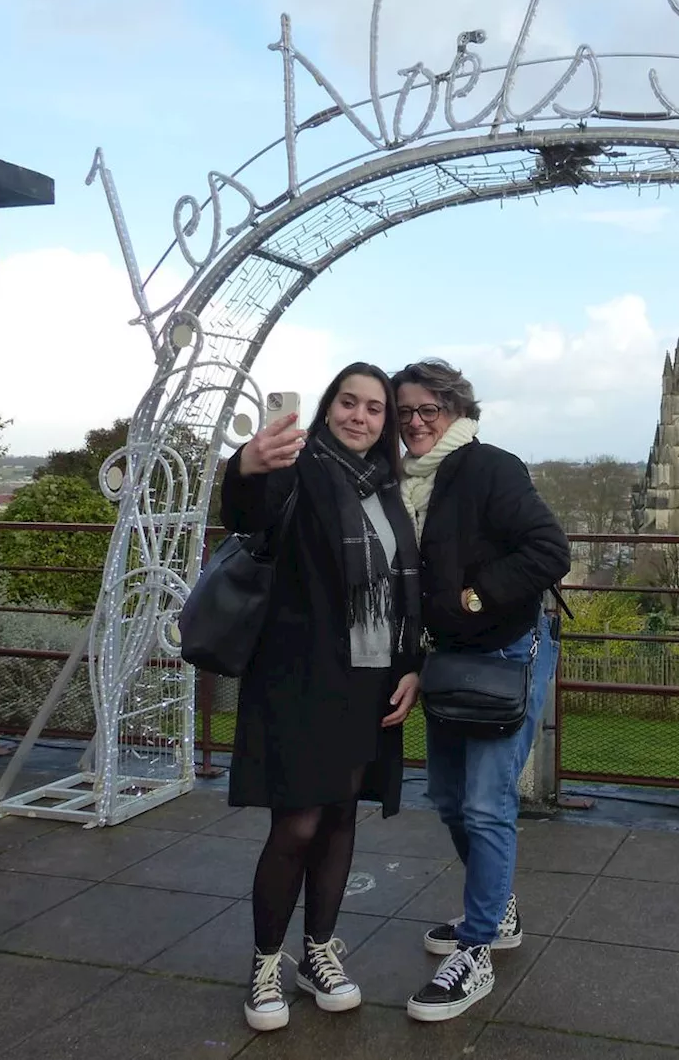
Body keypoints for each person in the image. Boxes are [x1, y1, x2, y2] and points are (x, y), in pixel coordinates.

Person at [220, 362, 422, 1032]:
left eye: (374, 408)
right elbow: (247, 515)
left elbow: (400, 587)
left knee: (340, 816)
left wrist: (411, 665)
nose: (360, 416)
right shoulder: (299, 467)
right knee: (298, 823)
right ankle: (266, 961)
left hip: (369, 678)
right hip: (302, 675)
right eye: (348, 401)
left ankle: (318, 952)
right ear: (329, 405)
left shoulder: (386, 488)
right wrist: (246, 463)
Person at [391, 359, 570, 1023]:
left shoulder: (490, 466)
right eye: (404, 410)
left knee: (486, 801)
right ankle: (497, 909)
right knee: (446, 796)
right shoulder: (404, 483)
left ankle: (476, 950)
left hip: (504, 648)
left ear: (455, 411)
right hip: (450, 657)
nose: (414, 421)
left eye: (427, 409)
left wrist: (478, 591)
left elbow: (550, 548)